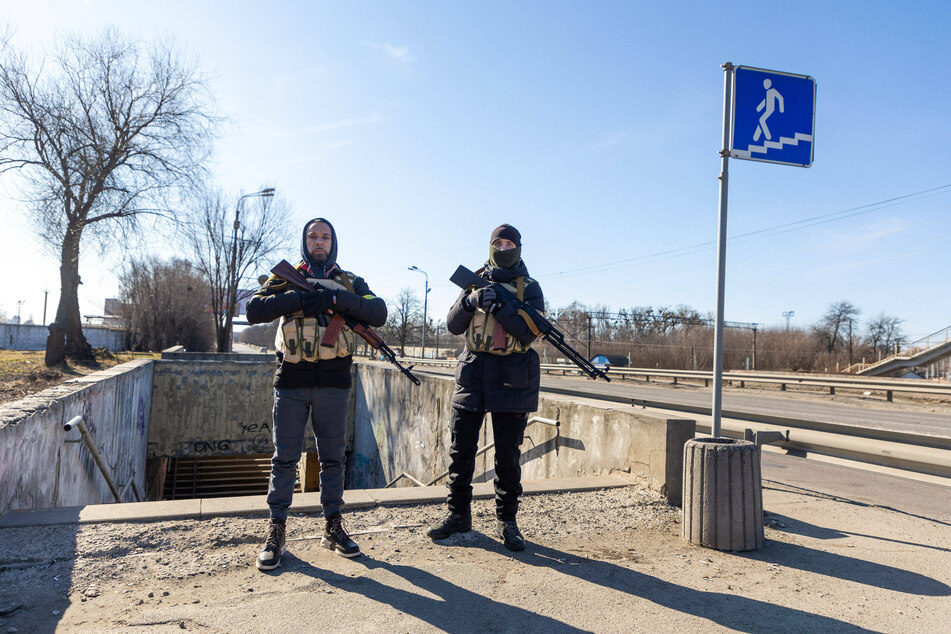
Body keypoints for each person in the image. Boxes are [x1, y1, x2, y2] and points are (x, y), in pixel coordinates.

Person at [247, 217, 387, 571]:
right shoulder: (284, 278)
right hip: (291, 381)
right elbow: (253, 310)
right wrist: (297, 298)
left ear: (333, 242)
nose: (319, 241)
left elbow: (377, 311)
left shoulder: (350, 281)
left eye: (325, 236)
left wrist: (336, 298)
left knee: (333, 460)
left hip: (334, 383)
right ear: (305, 242)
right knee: (284, 460)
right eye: (313, 236)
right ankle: (276, 531)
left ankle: (333, 526)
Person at [427, 224, 543, 551]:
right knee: (460, 452)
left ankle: (507, 522)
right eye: (498, 243)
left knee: (507, 456)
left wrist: (499, 306)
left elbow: (528, 332)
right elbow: (452, 324)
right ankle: (457, 515)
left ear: (518, 248)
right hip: (473, 375)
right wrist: (471, 300)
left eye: (509, 243)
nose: (503, 248)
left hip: (513, 377)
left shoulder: (529, 288)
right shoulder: (474, 281)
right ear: (490, 246)